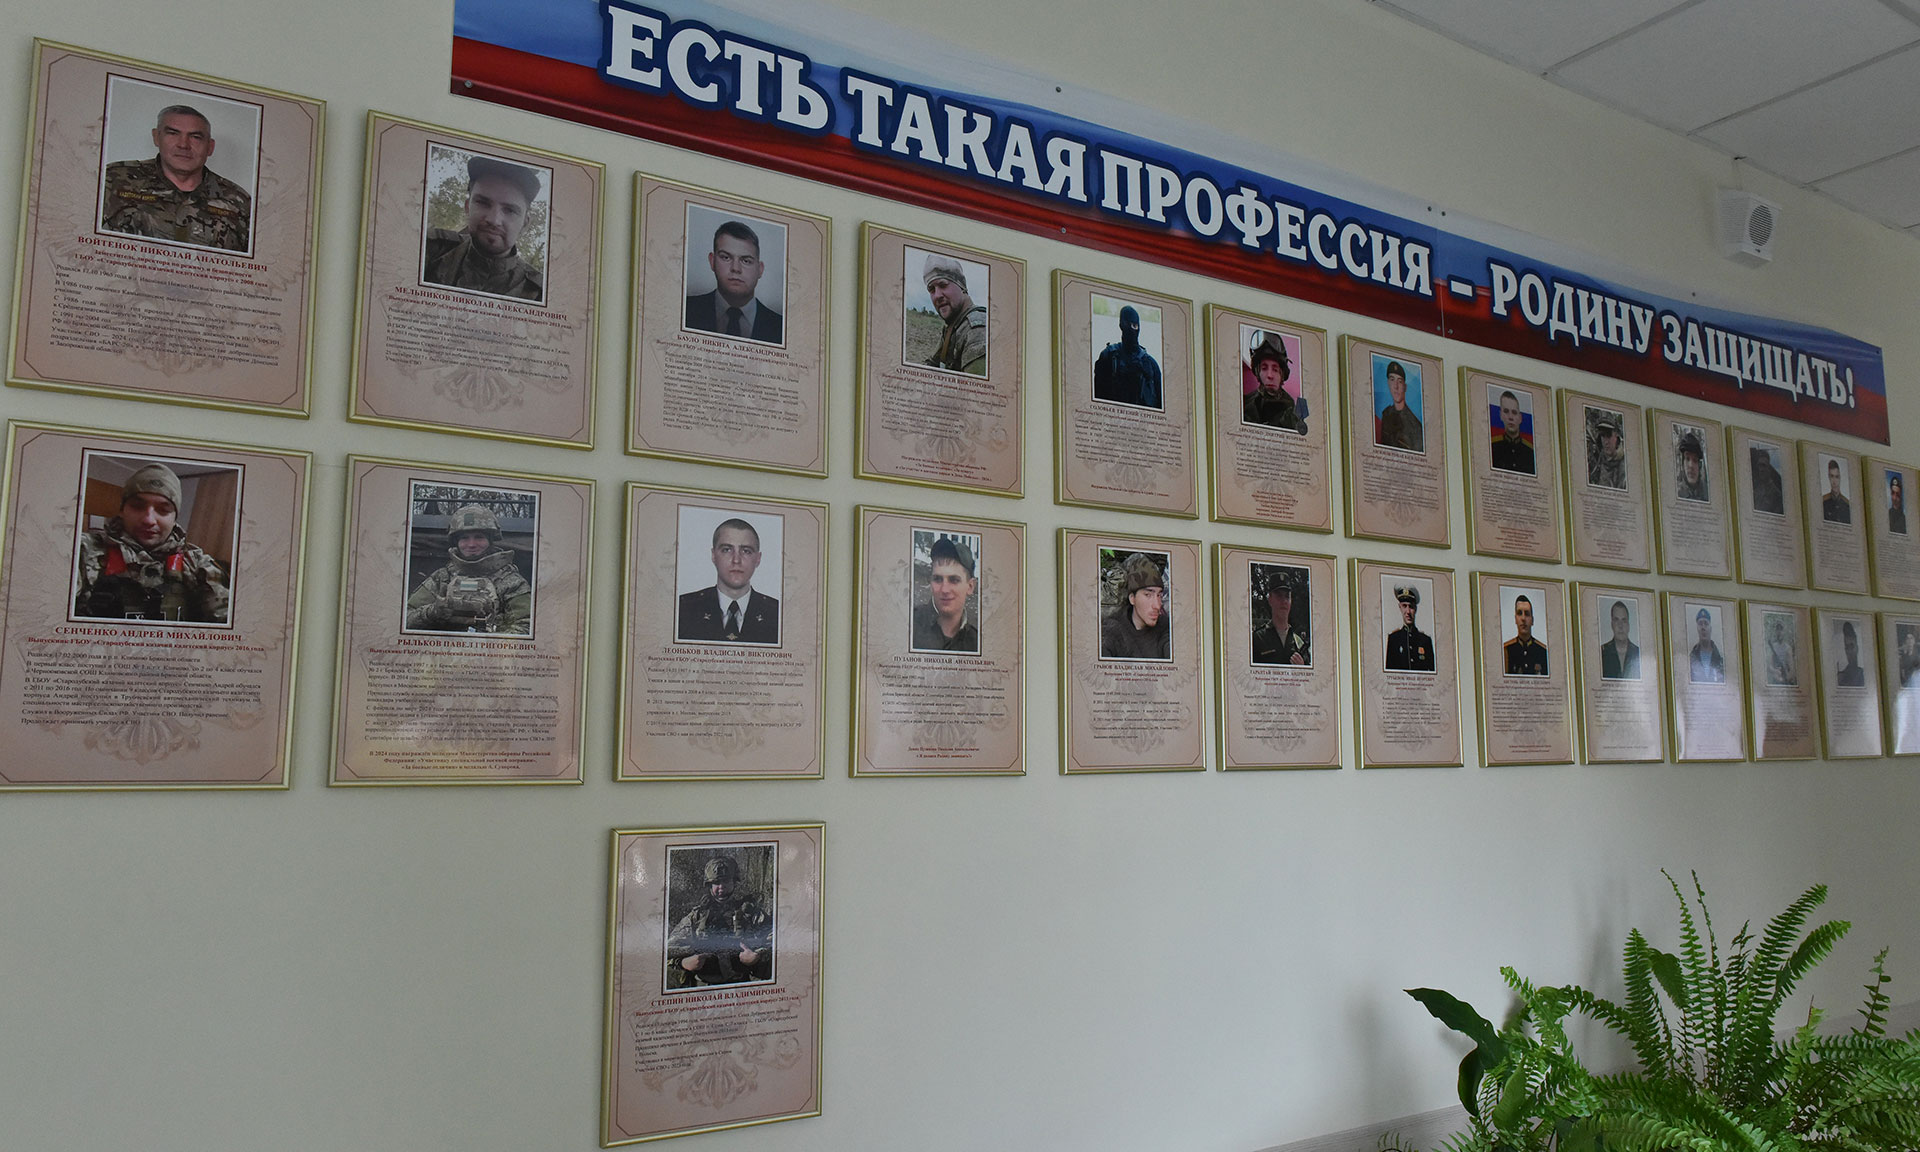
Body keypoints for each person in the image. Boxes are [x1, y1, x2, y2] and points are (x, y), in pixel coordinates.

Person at [73, 462, 230, 624]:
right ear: (122, 510)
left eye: (163, 510)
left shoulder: (196, 564)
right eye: (137, 506)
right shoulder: (81, 552)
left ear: (174, 518)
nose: (149, 520)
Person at [100, 104, 252, 252]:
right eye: (173, 133)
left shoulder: (239, 202)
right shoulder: (112, 180)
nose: (183, 145)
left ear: (210, 147)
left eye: (195, 137)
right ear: (156, 137)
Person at [422, 155, 544, 301]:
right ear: (468, 207)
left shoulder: (540, 294)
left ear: (525, 223)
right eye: (483, 203)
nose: (494, 220)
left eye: (510, 210)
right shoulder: (427, 249)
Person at [403, 504, 532, 634]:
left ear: (490, 540)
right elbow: (404, 619)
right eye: (464, 538)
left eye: (479, 537)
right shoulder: (441, 578)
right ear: (456, 542)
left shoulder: (510, 581)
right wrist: (432, 612)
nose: (471, 544)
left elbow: (528, 626)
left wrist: (490, 639)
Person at [664, 856, 772, 988]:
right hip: (702, 991)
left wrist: (757, 957)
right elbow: (667, 952)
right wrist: (684, 963)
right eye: (716, 882)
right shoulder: (696, 917)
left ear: (734, 882)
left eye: (726, 881)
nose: (721, 887)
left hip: (740, 988)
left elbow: (778, 943)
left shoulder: (751, 915)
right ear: (709, 885)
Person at [677, 518, 779, 644]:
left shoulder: (777, 614)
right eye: (726, 549)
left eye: (746, 551)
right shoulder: (684, 610)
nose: (736, 560)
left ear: (758, 559)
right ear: (713, 555)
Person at [684, 219, 783, 343]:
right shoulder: (685, 310)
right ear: (712, 261)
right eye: (726, 257)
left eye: (746, 261)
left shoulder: (780, 327)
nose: (735, 268)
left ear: (760, 269)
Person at [917, 252, 985, 375]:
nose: (937, 295)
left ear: (962, 286)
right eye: (931, 289)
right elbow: (934, 363)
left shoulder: (976, 332)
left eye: (943, 285)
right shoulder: (954, 324)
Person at [910, 536, 979, 653]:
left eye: (954, 580)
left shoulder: (976, 642)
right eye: (937, 579)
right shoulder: (909, 625)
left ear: (970, 586)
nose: (945, 589)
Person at [1100, 552, 1170, 659]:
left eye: (1159, 595)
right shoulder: (1112, 631)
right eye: (1148, 595)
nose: (1157, 605)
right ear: (1132, 598)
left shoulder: (1165, 626)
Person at [1093, 305, 1162, 409]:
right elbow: (1097, 398)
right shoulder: (1108, 357)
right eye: (1127, 325)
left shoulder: (1151, 365)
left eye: (1134, 325)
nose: (1131, 329)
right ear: (1121, 325)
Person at [1241, 336, 1304, 433]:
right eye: (1264, 368)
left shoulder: (1292, 411)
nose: (1270, 375)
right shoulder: (1243, 404)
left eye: (1275, 369)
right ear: (1258, 372)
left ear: (1282, 374)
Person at [1250, 567, 1309, 666]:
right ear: (1270, 599)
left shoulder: (1299, 643)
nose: (1284, 601)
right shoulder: (1257, 639)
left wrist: (1302, 669)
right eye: (1279, 596)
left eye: (1287, 596)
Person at [1384, 584, 1434, 672]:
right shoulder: (1393, 639)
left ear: (1415, 609)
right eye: (1404, 606)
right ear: (1400, 607)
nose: (1408, 611)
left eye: (1411, 607)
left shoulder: (1425, 640)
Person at [1375, 361, 1423, 452]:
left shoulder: (1415, 426)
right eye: (1392, 380)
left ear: (1405, 387)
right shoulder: (1386, 414)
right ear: (1388, 383)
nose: (1395, 386)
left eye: (1400, 381)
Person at [1503, 593, 1549, 676]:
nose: (1523, 618)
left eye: (1527, 614)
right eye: (1519, 613)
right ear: (1515, 619)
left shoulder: (1543, 652)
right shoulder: (1506, 651)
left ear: (1532, 620)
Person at [1490, 390, 1533, 474]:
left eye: (1514, 412)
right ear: (1501, 415)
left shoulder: (1530, 452)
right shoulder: (1493, 447)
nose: (1510, 417)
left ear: (1520, 418)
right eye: (1506, 411)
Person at [1600, 599, 1640, 680]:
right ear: (1612, 624)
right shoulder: (1601, 653)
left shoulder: (1638, 653)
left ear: (1628, 625)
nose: (1620, 626)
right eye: (1616, 620)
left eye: (1624, 620)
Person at [1587, 416, 1626, 489]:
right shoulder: (1597, 461)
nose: (1606, 442)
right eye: (1602, 436)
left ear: (1616, 435)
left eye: (1608, 435)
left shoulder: (1626, 465)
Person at [1688, 607, 1725, 683]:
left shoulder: (1720, 660)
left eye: (1706, 623)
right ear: (1697, 629)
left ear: (1710, 628)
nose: (1703, 627)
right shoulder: (1691, 660)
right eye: (1700, 624)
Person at [1676, 432, 1709, 502]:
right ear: (1682, 464)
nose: (1691, 466)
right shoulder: (1676, 493)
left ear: (1699, 465)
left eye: (1695, 460)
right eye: (1687, 459)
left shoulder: (1708, 493)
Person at [1750, 445, 1784, 514]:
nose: (1761, 469)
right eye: (1759, 466)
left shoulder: (1776, 494)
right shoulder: (1755, 490)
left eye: (1764, 465)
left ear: (1769, 469)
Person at [1766, 618, 1797, 687]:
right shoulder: (1773, 647)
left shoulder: (1788, 648)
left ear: (1784, 632)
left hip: (1786, 679)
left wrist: (1786, 679)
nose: (1779, 632)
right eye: (1777, 629)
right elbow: (1769, 666)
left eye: (1781, 629)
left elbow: (1792, 669)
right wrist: (1775, 671)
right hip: (1776, 679)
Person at [1835, 621, 1866, 687]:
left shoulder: (1865, 675)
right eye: (1847, 647)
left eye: (1852, 646)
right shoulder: (1842, 678)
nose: (1849, 651)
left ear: (1857, 648)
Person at [1822, 459, 1852, 524]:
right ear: (1829, 477)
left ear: (1840, 478)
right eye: (1832, 476)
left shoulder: (1847, 505)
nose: (1834, 481)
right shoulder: (1822, 502)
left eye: (1837, 477)